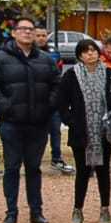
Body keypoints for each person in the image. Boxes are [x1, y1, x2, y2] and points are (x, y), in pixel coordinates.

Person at [0, 16, 60, 223]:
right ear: (14, 33)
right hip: (12, 123)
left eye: (31, 29)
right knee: (12, 168)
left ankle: (36, 211)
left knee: (34, 168)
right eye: (23, 29)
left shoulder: (45, 59)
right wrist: (5, 106)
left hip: (38, 122)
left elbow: (57, 84)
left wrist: (48, 107)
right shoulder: (0, 59)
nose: (27, 32)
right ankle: (11, 212)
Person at [56, 38, 111, 223]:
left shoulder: (110, 74)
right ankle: (78, 210)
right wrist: (71, 121)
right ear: (79, 55)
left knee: (103, 170)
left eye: (93, 50)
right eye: (86, 51)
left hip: (104, 131)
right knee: (82, 171)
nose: (90, 54)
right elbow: (61, 102)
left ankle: (105, 209)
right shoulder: (71, 75)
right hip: (81, 131)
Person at [33, 33, 72, 175]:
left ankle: (56, 158)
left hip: (53, 100)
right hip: (35, 100)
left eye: (44, 35)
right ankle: (34, 159)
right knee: (37, 133)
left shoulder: (54, 53)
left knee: (55, 130)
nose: (41, 38)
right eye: (38, 35)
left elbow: (58, 75)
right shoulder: (28, 54)